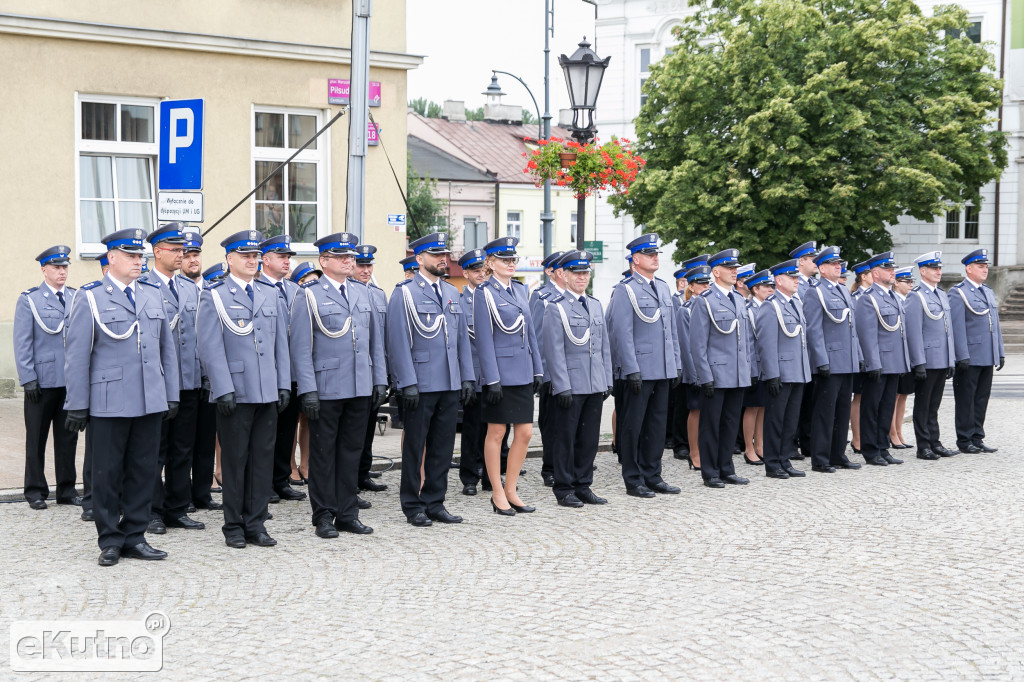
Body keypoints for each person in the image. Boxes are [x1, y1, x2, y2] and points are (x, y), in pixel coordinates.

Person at [63, 228, 179, 566]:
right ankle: (110, 539)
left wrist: (169, 394)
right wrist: (78, 404)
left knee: (144, 471)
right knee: (107, 473)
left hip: (148, 399)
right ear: (111, 258)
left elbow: (165, 352)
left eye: (139, 256)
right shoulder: (90, 297)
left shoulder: (151, 295)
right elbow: (77, 356)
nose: (137, 261)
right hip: (108, 400)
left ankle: (135, 536)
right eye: (130, 256)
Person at [197, 230, 291, 548]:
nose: (252, 261)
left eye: (255, 256)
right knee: (236, 461)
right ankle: (233, 526)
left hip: (266, 390)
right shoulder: (215, 295)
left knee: (262, 460)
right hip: (235, 391)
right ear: (230, 259)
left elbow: (280, 344)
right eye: (245, 256)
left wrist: (282, 384)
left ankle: (256, 523)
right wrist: (222, 388)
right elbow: (209, 347)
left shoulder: (269, 293)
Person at [290, 233, 387, 538]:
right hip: (327, 386)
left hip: (359, 384)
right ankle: (323, 515)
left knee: (351, 452)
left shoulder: (363, 293)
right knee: (323, 453)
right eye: (342, 257)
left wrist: (379, 380)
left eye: (351, 256)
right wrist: (307, 390)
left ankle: (347, 512)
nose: (350, 261)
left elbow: (374, 343)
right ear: (324, 261)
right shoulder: (308, 295)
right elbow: (302, 348)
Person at [387, 232, 475, 526]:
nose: (442, 259)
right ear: (420, 259)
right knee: (415, 446)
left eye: (444, 254)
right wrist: (406, 382)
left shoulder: (452, 293)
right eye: (436, 255)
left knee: (443, 445)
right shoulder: (405, 292)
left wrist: (467, 377)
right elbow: (398, 341)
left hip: (449, 381)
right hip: (421, 383)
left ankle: (435, 501)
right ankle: (413, 505)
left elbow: (461, 340)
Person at [606, 234, 682, 498]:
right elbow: (621, 332)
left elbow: (670, 330)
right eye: (650, 255)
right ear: (635, 260)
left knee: (657, 424)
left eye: (656, 254)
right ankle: (633, 478)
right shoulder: (625, 289)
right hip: (638, 368)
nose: (655, 258)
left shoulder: (662, 288)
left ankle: (653, 474)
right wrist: (630, 368)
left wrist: (675, 364)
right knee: (633, 425)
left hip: (662, 367)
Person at [142, 223, 206, 533]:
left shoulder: (190, 287)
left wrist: (203, 375)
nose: (181, 254)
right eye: (175, 249)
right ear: (157, 252)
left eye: (183, 249)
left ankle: (177, 508)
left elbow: (199, 337)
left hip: (189, 382)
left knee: (183, 449)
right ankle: (152, 511)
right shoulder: (144, 287)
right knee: (155, 450)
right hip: (157, 382)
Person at [473, 237, 543, 515]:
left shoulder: (520, 290)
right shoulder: (484, 293)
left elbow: (531, 334)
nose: (511, 264)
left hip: (523, 371)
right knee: (497, 432)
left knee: (525, 433)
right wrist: (491, 378)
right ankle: (497, 492)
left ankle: (512, 488)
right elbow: (484, 339)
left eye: (513, 259)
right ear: (490, 263)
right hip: (500, 374)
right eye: (504, 260)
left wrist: (538, 368)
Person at [542, 250, 612, 508]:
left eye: (585, 273)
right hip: (570, 384)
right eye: (577, 273)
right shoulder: (556, 308)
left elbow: (603, 345)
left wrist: (605, 379)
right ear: (565, 275)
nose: (582, 277)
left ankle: (583, 484)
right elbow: (554, 350)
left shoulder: (594, 304)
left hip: (594, 382)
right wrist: (561, 385)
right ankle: (564, 488)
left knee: (589, 438)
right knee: (566, 438)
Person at [15, 245, 79, 510]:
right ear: (44, 270)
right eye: (56, 267)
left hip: (69, 382)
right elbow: (22, 341)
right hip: (41, 382)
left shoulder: (76, 297)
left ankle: (66, 489)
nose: (62, 272)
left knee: (68, 440)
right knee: (36, 439)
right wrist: (28, 377)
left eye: (65, 267)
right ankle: (35, 490)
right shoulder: (30, 299)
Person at [690, 248, 753, 489]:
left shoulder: (738, 298)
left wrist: (747, 370)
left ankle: (727, 468)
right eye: (729, 268)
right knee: (711, 424)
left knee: (729, 423)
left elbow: (744, 341)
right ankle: (710, 472)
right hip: (715, 373)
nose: (734, 271)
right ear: (716, 272)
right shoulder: (704, 300)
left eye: (735, 268)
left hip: (737, 373)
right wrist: (704, 376)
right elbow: (698, 343)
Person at [802, 246, 863, 473]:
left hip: (846, 360)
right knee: (824, 413)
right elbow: (814, 329)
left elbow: (851, 328)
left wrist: (858, 356)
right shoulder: (815, 292)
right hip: (829, 361)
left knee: (841, 412)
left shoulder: (843, 290)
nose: (839, 267)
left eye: (839, 263)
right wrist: (821, 360)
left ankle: (838, 454)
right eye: (834, 264)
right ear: (822, 268)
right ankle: (820, 458)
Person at [257, 234, 306, 505]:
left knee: (287, 428)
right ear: (265, 260)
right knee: (266, 432)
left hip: (293, 371)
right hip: (268, 371)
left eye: (288, 257)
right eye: (281, 257)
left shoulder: (295, 290)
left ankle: (281, 479)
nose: (287, 261)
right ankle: (263, 484)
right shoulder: (256, 287)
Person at [756, 260, 812, 479]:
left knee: (791, 419)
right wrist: (772, 374)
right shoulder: (771, 306)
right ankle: (772, 463)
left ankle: (784, 458)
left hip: (797, 370)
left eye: (797, 278)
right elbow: (766, 343)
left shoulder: (795, 304)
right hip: (781, 371)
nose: (797, 281)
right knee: (776, 419)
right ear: (779, 281)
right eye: (792, 278)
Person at [854, 252, 910, 466]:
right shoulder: (868, 299)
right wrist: (872, 362)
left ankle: (883, 446)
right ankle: (870, 449)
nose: (892, 272)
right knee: (872, 406)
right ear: (876, 274)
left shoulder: (893, 296)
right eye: (888, 269)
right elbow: (867, 335)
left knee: (887, 406)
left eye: (892, 268)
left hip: (894, 361)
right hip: (878, 362)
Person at [949, 248, 1005, 454]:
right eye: (980, 267)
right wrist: (961, 354)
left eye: (986, 267)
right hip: (970, 356)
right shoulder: (958, 292)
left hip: (986, 355)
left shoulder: (987, 291)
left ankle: (977, 437)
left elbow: (995, 325)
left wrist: (999, 351)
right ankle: (964, 440)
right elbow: (957, 327)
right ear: (968, 269)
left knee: (982, 398)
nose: (985, 270)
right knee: (966, 398)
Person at [905, 251, 958, 460]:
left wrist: (950, 358)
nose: (938, 272)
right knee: (923, 403)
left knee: (934, 405)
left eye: (939, 268)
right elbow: (914, 332)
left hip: (941, 358)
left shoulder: (941, 294)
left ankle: (935, 442)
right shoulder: (915, 296)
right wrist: (918, 362)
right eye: (934, 268)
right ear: (923, 271)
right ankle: (923, 445)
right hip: (927, 359)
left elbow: (948, 331)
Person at [351, 244, 390, 495]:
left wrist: (385, 376)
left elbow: (384, 339)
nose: (366, 270)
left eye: (369, 265)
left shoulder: (378, 294)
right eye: (361, 265)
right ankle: (349, 479)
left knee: (367, 429)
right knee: (352, 432)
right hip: (353, 371)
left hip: (375, 370)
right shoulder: (351, 293)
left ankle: (363, 474)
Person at [529, 250, 565, 488]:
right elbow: (538, 337)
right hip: (552, 372)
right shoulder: (542, 296)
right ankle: (550, 467)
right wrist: (542, 372)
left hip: (574, 371)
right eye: (560, 268)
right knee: (552, 422)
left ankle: (568, 463)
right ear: (550, 271)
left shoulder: (576, 294)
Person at [458, 248, 488, 496]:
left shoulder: (495, 297)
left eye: (484, 270)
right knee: (472, 429)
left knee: (498, 427)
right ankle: (469, 477)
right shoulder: (459, 302)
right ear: (466, 273)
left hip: (497, 375)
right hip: (474, 374)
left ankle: (491, 476)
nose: (481, 274)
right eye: (476, 270)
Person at [680, 259, 711, 470]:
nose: (706, 287)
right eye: (701, 283)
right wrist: (693, 375)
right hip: (695, 370)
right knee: (696, 411)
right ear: (691, 286)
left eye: (707, 283)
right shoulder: (686, 310)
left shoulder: (710, 305)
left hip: (711, 368)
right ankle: (694, 452)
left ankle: (707, 450)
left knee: (708, 412)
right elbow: (686, 346)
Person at [741, 269, 773, 466]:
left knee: (763, 406)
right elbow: (749, 343)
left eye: (772, 286)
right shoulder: (749, 309)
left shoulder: (769, 307)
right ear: (755, 289)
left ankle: (760, 444)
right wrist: (752, 369)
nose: (771, 289)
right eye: (766, 287)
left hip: (767, 366)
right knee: (752, 407)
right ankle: (749, 448)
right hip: (755, 366)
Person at [888, 266, 916, 450]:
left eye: (912, 281)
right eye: (907, 282)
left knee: (903, 394)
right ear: (896, 283)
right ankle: (891, 433)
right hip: (895, 354)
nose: (911, 285)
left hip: (907, 354)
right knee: (894, 396)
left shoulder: (909, 300)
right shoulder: (893, 300)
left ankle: (898, 431)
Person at [848, 260, 873, 455]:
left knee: (869, 396)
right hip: (860, 354)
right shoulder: (856, 298)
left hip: (872, 355)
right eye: (871, 273)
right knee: (859, 395)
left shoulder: (875, 297)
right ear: (863, 277)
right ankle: (856, 438)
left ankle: (868, 436)